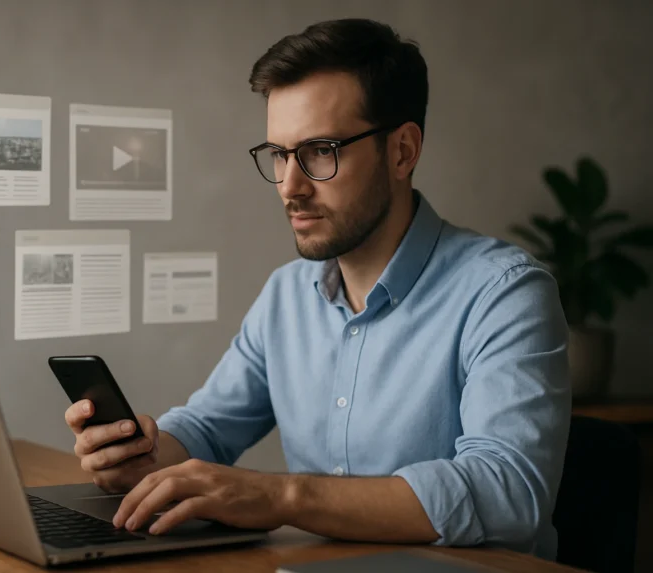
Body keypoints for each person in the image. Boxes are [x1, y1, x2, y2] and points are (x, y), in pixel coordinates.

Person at [65, 18, 571, 559]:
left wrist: (283, 495)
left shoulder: (504, 293)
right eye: (279, 154)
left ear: (402, 151)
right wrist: (144, 456)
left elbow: (507, 494)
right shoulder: (286, 294)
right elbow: (208, 427)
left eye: (320, 151)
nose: (290, 186)